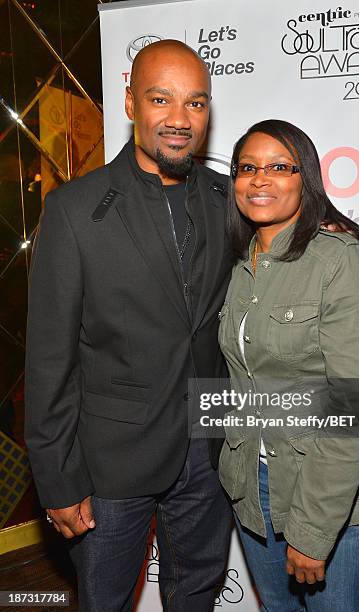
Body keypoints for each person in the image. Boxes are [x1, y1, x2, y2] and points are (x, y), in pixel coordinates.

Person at [24, 40, 233, 612]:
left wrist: (331, 231)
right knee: (106, 601)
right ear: (129, 103)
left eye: (195, 103)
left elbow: (287, 234)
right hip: (110, 461)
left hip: (208, 451)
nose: (178, 119)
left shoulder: (227, 198)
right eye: (160, 99)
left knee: (196, 594)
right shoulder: (75, 209)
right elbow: (49, 359)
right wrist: (58, 479)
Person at [217, 119, 359, 611]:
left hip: (333, 494)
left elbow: (351, 409)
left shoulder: (339, 263)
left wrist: (312, 531)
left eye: (280, 167)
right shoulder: (238, 265)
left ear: (307, 179)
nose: (260, 179)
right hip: (253, 483)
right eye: (247, 168)